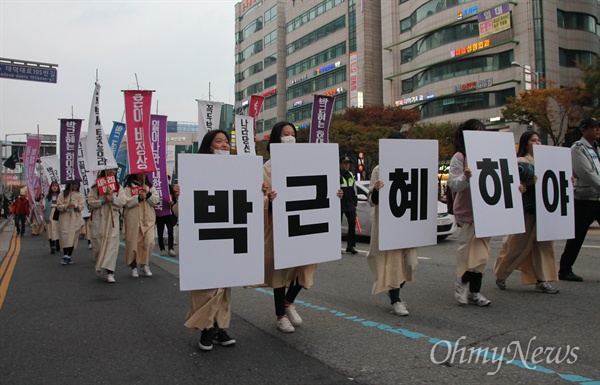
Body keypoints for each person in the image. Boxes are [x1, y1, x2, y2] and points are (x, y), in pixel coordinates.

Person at [262, 122, 343, 333]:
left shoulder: (310, 161)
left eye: (292, 134)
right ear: (276, 139)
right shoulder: (268, 167)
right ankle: (280, 314)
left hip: (306, 221)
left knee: (307, 264)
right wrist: (268, 199)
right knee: (279, 269)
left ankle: (289, 302)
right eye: (284, 134)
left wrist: (335, 195)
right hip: (280, 225)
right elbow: (261, 199)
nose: (289, 138)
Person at [185, 129, 237, 351]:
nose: (224, 145)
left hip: (228, 232)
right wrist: (181, 195)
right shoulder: (194, 172)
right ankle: (206, 328)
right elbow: (182, 210)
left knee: (224, 284)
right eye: (219, 141)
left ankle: (219, 326)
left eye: (226, 142)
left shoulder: (238, 172)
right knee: (206, 284)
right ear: (209, 147)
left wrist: (262, 193)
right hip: (206, 234)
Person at [493, 131, 559, 294]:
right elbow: (514, 187)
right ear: (525, 144)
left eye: (539, 140)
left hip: (545, 209)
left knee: (543, 246)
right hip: (527, 209)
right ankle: (501, 274)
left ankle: (542, 280)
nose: (537, 143)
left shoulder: (548, 161)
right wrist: (526, 184)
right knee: (518, 245)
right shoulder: (520, 162)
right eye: (533, 140)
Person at [366, 132, 418, 316]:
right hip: (389, 223)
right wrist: (378, 190)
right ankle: (395, 299)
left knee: (410, 263)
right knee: (394, 263)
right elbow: (372, 200)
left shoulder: (413, 166)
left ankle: (393, 289)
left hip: (408, 222)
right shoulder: (380, 169)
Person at [447, 119, 491, 307]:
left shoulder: (489, 154)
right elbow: (453, 183)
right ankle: (464, 283)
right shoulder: (460, 157)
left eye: (483, 132)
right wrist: (465, 177)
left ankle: (472, 289)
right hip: (468, 211)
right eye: (476, 132)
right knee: (469, 253)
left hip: (487, 211)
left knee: (482, 255)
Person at [559, 118, 600, 281]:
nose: (597, 130)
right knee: (577, 236)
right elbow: (586, 173)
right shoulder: (578, 148)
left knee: (577, 234)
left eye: (598, 127)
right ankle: (565, 269)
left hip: (597, 197)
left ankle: (565, 268)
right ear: (584, 130)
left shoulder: (597, 148)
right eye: (593, 127)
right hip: (584, 198)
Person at [88, 169, 127, 283]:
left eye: (114, 170)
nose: (112, 172)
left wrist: (113, 199)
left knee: (112, 245)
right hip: (99, 219)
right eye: (110, 170)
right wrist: (103, 200)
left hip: (112, 219)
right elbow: (90, 202)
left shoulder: (118, 187)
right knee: (98, 243)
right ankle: (99, 264)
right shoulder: (96, 186)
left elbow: (123, 201)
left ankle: (110, 272)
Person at [123, 172, 159, 278]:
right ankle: (133, 266)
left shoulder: (150, 186)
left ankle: (145, 264)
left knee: (149, 241)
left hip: (148, 218)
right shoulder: (129, 187)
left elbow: (156, 200)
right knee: (133, 242)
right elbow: (125, 201)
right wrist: (138, 198)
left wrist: (147, 194)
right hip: (133, 218)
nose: (143, 174)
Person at [57, 182, 85, 265]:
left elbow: (81, 206)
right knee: (65, 236)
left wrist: (76, 206)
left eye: (77, 184)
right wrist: (66, 206)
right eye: (74, 184)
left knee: (73, 237)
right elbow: (58, 206)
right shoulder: (62, 194)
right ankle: (65, 255)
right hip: (65, 217)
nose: (75, 186)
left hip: (75, 218)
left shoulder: (80, 195)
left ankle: (69, 255)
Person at [340, 155, 358, 254]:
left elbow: (354, 189)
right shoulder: (337, 175)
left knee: (352, 223)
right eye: (345, 163)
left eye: (348, 163)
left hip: (350, 203)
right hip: (340, 203)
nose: (347, 165)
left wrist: (355, 203)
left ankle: (350, 246)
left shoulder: (351, 174)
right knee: (337, 226)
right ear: (340, 164)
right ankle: (337, 246)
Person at [156, 175, 177, 257]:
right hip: (160, 213)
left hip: (168, 212)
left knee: (170, 231)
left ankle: (171, 248)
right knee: (160, 231)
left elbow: (174, 199)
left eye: (168, 178)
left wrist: (172, 202)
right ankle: (162, 249)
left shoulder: (169, 188)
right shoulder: (157, 187)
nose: (167, 180)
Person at [44, 182, 61, 254]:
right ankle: (52, 245)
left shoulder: (60, 195)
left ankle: (57, 242)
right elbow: (44, 205)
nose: (54, 187)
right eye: (53, 186)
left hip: (58, 213)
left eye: (56, 186)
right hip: (49, 214)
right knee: (50, 230)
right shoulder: (48, 197)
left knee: (57, 229)